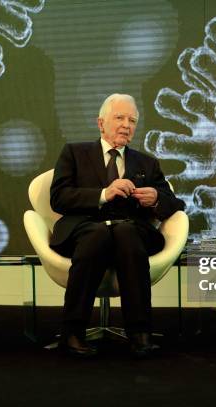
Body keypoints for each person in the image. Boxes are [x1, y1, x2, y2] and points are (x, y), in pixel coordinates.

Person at [50, 93, 185, 358]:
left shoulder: (147, 163)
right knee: (97, 234)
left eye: (132, 120)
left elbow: (175, 203)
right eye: (119, 118)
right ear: (101, 123)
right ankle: (72, 332)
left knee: (125, 232)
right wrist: (103, 194)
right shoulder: (74, 153)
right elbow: (59, 197)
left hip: (131, 230)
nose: (127, 125)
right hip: (86, 227)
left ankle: (140, 333)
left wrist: (157, 198)